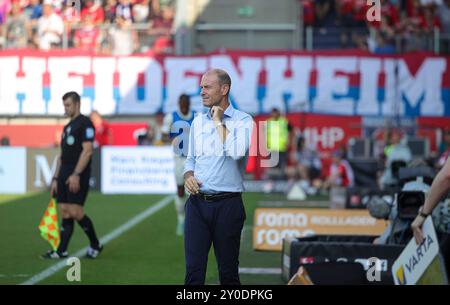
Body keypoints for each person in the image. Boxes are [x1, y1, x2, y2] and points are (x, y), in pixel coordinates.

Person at [183, 69, 253, 285]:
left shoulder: (244, 121)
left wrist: (217, 120)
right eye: (201, 87)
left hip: (228, 206)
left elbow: (236, 152)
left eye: (207, 87)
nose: (201, 91)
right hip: (197, 205)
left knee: (228, 273)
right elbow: (190, 159)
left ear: (224, 89)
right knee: (194, 272)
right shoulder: (197, 122)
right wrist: (188, 176)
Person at [43, 91, 103, 259]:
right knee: (64, 210)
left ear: (77, 104)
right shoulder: (67, 127)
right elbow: (61, 155)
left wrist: (76, 174)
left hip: (78, 174)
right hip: (63, 174)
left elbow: (88, 151)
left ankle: (96, 244)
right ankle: (61, 250)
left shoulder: (85, 123)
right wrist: (55, 178)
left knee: (76, 211)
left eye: (68, 105)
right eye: (64, 105)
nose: (66, 108)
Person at [161, 94, 196, 236]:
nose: (184, 105)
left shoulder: (196, 116)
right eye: (182, 103)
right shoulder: (171, 117)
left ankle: (192, 220)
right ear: (178, 103)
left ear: (189, 103)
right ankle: (181, 219)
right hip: (179, 159)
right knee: (180, 189)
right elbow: (163, 135)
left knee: (193, 190)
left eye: (186, 103)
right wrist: (172, 138)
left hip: (194, 159)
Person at [265, 107, 290, 178]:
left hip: (281, 148)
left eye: (275, 112)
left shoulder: (284, 122)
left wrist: (288, 142)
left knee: (282, 166)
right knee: (272, 165)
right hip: (272, 148)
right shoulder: (268, 122)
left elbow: (290, 132)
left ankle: (282, 181)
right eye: (273, 113)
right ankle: (270, 182)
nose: (274, 114)